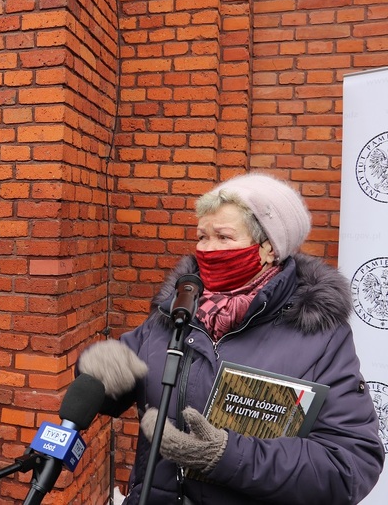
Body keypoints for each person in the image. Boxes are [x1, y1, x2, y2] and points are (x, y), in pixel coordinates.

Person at [78, 173, 385, 505]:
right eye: (202, 236)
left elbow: (350, 465)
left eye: (223, 237)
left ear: (269, 248)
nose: (207, 249)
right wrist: (97, 371)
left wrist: (227, 456)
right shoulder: (177, 310)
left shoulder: (319, 336)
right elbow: (114, 384)